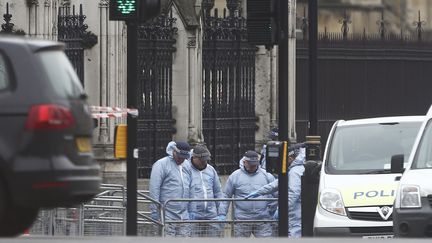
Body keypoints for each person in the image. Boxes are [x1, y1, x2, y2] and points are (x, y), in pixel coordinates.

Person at [245, 145, 306, 238]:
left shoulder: (294, 172)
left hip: (296, 213)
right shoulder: (296, 169)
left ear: (289, 158)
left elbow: (293, 194)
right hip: (297, 212)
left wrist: (281, 209)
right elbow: (277, 183)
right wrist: (259, 192)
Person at [220, 150, 277, 237]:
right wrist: (222, 214)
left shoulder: (267, 175)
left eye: (255, 165)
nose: (253, 167)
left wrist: (271, 211)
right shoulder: (235, 176)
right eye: (250, 164)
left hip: (262, 219)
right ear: (244, 162)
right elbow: (226, 196)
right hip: (242, 220)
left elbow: (276, 195)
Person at [149, 141, 191, 237]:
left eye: (184, 158)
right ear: (174, 152)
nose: (181, 160)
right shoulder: (161, 164)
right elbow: (154, 188)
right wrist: (155, 210)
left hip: (184, 215)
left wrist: (191, 209)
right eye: (180, 157)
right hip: (166, 213)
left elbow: (190, 187)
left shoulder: (186, 165)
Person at [183, 145, 225, 237]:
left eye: (206, 160)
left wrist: (221, 213)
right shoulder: (186, 169)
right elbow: (185, 191)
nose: (204, 162)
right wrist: (188, 211)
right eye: (202, 160)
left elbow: (218, 192)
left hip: (211, 215)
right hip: (194, 215)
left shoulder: (211, 170)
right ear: (194, 157)